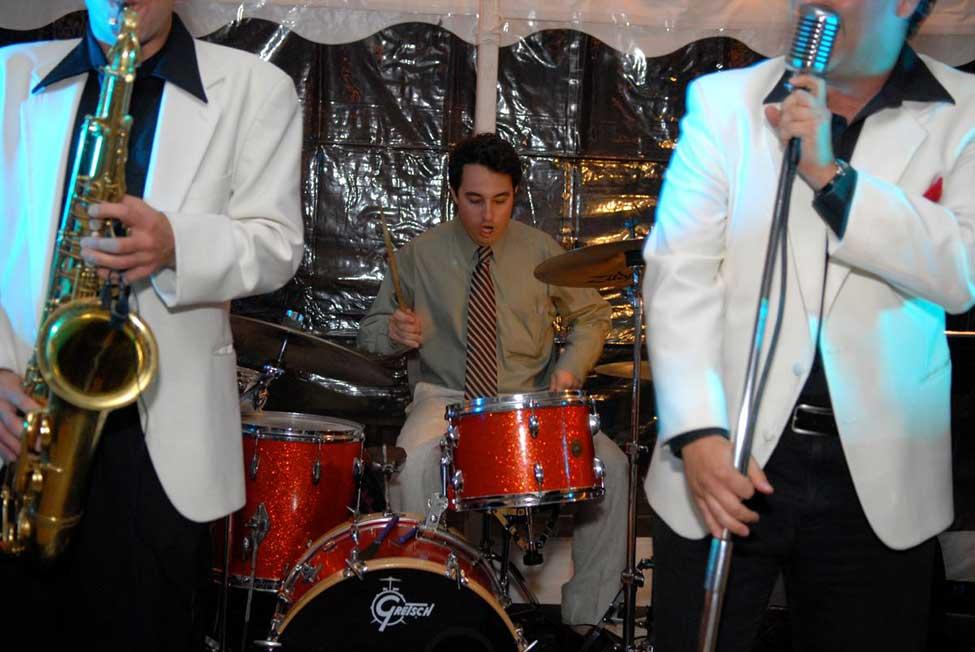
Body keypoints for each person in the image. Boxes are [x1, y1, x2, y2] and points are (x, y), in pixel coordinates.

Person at [641, 0, 975, 650]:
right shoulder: (724, 102)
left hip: (879, 477)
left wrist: (828, 173)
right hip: (727, 453)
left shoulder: (962, 110)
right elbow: (678, 272)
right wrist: (697, 433)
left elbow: (961, 272)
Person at [0, 0, 303, 648]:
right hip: (24, 414)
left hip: (163, 440)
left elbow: (278, 245)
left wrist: (177, 244)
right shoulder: (9, 74)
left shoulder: (256, 87)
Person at [356, 132, 628, 627]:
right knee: (411, 468)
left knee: (611, 467)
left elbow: (592, 317)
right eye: (474, 200)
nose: (488, 215)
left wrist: (570, 369)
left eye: (500, 201)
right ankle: (424, 613)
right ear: (454, 194)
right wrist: (394, 332)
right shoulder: (419, 255)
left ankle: (588, 620)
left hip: (529, 399)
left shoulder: (543, 252)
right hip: (447, 396)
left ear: (515, 195)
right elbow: (371, 333)